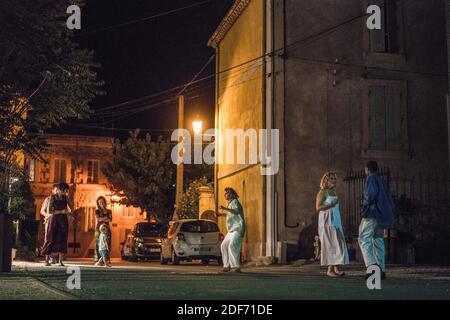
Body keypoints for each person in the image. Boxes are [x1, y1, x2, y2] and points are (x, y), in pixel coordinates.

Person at [358, 161, 395, 280]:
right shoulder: (382, 179)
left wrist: (364, 204)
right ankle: (381, 270)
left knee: (363, 239)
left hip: (372, 212)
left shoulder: (371, 178)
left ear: (367, 169)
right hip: (382, 214)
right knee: (378, 240)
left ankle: (372, 267)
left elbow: (371, 194)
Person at [316, 172, 349, 277]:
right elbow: (318, 207)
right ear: (326, 181)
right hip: (326, 222)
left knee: (338, 244)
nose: (334, 180)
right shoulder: (323, 192)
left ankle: (336, 268)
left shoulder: (334, 192)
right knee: (331, 245)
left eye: (334, 178)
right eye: (331, 179)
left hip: (335, 221)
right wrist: (331, 204)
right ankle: (330, 270)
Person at [41, 182, 71, 266]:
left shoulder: (65, 198)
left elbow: (71, 209)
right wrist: (61, 211)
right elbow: (50, 211)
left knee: (63, 238)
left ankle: (60, 261)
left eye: (66, 190)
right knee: (50, 238)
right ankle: (46, 260)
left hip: (63, 220)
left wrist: (68, 201)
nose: (65, 192)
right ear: (58, 190)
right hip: (53, 220)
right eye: (63, 190)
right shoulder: (51, 198)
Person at [218, 187, 246, 273]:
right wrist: (221, 214)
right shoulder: (230, 203)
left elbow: (236, 212)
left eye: (226, 193)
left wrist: (224, 209)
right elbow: (231, 214)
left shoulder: (235, 202)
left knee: (232, 246)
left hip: (237, 228)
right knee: (223, 245)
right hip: (231, 230)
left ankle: (236, 267)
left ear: (231, 194)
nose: (225, 195)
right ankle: (226, 266)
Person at [40, 184, 59, 265]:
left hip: (58, 222)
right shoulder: (48, 199)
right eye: (56, 190)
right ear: (53, 190)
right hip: (49, 221)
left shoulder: (61, 200)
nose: (58, 191)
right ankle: (47, 259)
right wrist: (47, 215)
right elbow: (42, 210)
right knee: (48, 239)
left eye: (59, 190)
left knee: (56, 239)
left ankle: (54, 257)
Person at [94, 196, 112, 262]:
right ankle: (98, 259)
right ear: (98, 203)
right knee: (98, 243)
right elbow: (98, 219)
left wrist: (102, 219)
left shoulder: (109, 211)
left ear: (105, 202)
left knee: (107, 243)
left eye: (102, 202)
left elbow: (110, 220)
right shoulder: (97, 211)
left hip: (107, 229)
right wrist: (105, 218)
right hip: (98, 229)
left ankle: (106, 259)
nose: (101, 203)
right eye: (99, 202)